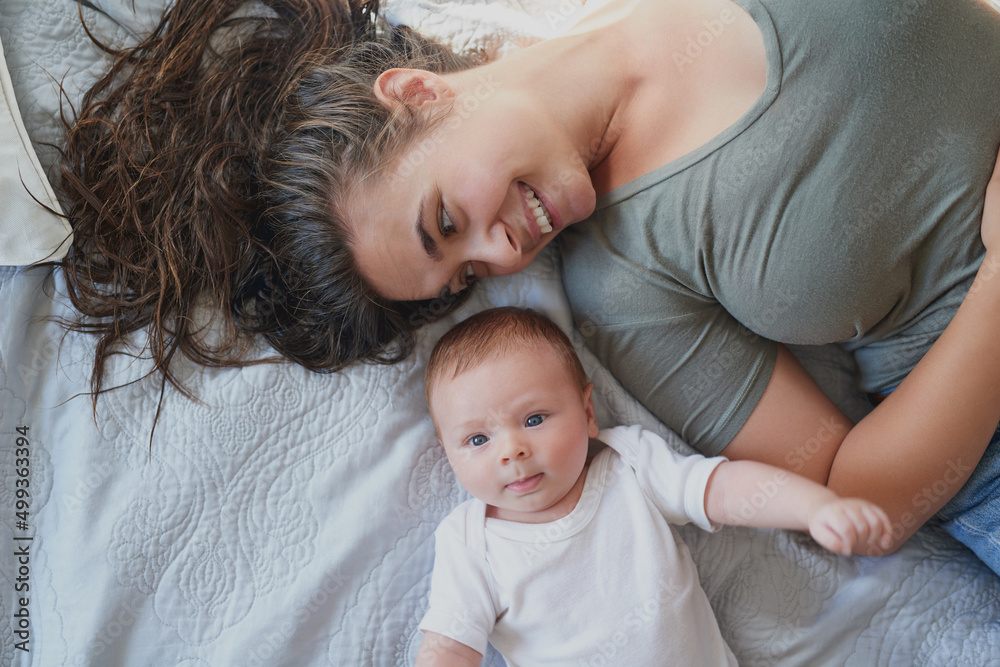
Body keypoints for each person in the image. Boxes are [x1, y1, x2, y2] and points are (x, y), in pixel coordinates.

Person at [59, 0, 1000, 571]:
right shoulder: (623, 284)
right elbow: (858, 498)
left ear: (416, 96)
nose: (504, 251)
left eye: (444, 219)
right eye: (465, 270)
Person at [415, 307, 893, 667]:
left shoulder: (630, 464)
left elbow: (723, 488)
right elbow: (450, 645)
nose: (511, 451)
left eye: (535, 419)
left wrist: (814, 508)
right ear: (447, 450)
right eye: (477, 439)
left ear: (587, 413)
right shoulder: (471, 541)